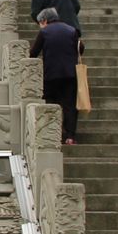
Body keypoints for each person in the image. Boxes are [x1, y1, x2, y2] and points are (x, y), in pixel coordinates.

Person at [29, 7, 82, 145]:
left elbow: (34, 52)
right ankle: (70, 136)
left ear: (44, 20)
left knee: (52, 102)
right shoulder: (71, 30)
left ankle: (52, 133)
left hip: (50, 74)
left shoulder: (44, 32)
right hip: (70, 74)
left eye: (40, 22)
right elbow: (80, 48)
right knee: (70, 105)